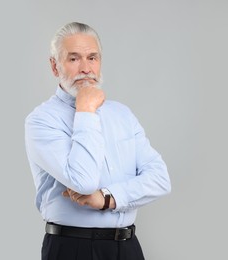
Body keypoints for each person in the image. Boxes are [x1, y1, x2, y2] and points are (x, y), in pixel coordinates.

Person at [24, 22, 171, 260]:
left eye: (92, 58)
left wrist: (107, 198)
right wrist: (85, 109)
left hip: (128, 247)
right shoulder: (41, 121)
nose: (86, 68)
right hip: (72, 248)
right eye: (74, 59)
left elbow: (160, 179)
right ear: (54, 66)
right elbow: (83, 181)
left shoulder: (122, 114)